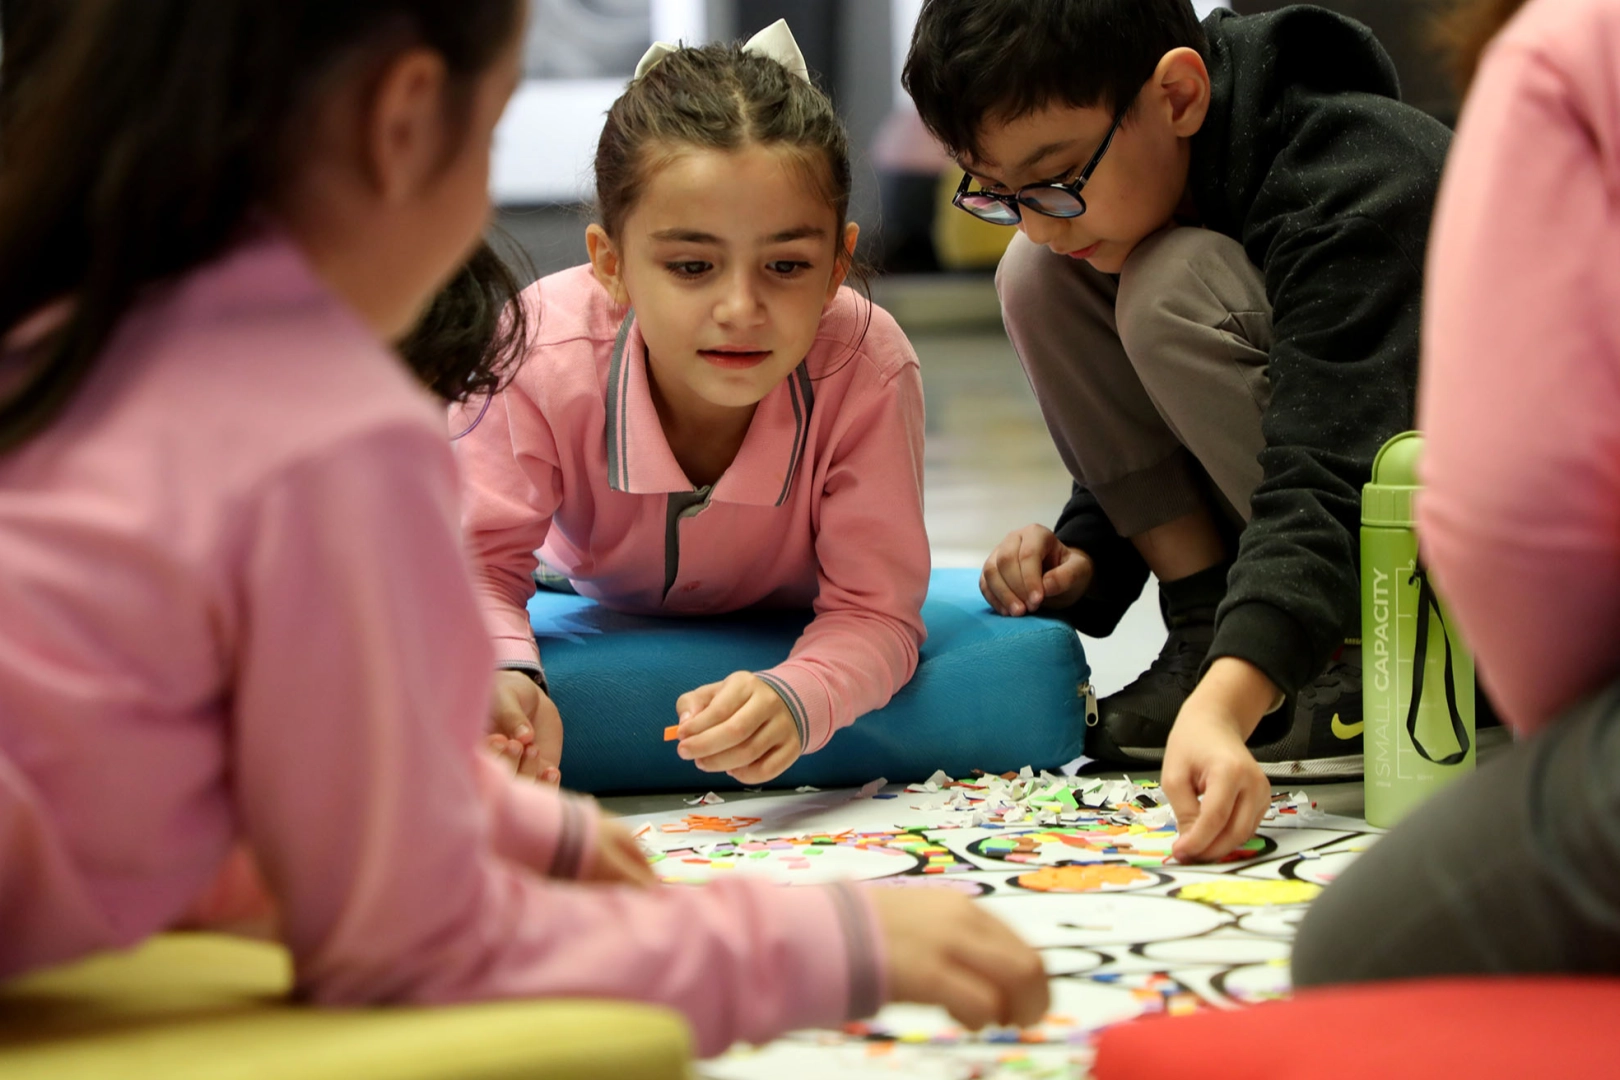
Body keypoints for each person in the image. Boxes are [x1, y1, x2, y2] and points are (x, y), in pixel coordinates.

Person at [0, 1, 1047, 1053]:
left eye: (783, 264)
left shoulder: (69, 337)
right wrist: (837, 941)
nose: (739, 308)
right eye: (497, 126)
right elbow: (405, 942)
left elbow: (217, 758)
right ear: (406, 119)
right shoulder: (343, 427)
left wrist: (519, 822)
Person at [902, 0, 1450, 861]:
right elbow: (1182, 407)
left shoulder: (1354, 175)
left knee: (1169, 284)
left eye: (1056, 178)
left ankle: (1342, 662)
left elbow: (1328, 457)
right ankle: (1203, 625)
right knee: (1038, 275)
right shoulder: (1128, 188)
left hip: (1456, 576)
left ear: (1180, 96)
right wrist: (1093, 547)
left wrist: (1232, 702)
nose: (1039, 219)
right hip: (1328, 504)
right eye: (999, 193)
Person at [461, 23, 930, 788]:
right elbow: (474, 570)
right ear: (611, 263)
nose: (740, 308)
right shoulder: (535, 351)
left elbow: (877, 613)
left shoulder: (867, 366)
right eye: (691, 266)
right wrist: (507, 678)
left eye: (787, 265)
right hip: (575, 582)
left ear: (838, 264)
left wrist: (801, 697)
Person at [1293, 0, 1620, 983]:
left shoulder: (1565, 46)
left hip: (1545, 683)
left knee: (1350, 957)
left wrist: (1557, 736)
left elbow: (1516, 507)